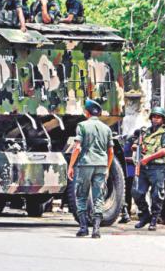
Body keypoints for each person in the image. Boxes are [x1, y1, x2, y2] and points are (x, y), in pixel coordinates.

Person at [67, 99, 113, 238]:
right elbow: (111, 151)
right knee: (98, 196)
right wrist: (108, 167)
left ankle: (83, 228)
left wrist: (71, 166)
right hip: (101, 165)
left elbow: (77, 148)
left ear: (86, 112)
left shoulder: (82, 125)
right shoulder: (107, 128)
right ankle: (96, 230)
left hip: (85, 164)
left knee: (81, 195)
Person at [132, 106, 165, 231]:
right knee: (137, 192)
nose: (155, 119)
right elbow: (135, 144)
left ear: (162, 119)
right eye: (154, 117)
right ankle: (145, 215)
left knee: (156, 195)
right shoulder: (145, 132)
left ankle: (154, 218)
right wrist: (137, 147)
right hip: (143, 167)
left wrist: (148, 158)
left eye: (158, 117)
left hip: (157, 167)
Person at [119, 129, 140, 223]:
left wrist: (125, 159)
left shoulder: (132, 142)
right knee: (127, 193)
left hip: (131, 171)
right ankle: (127, 213)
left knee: (130, 193)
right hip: (128, 171)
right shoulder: (131, 141)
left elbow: (135, 159)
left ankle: (128, 213)